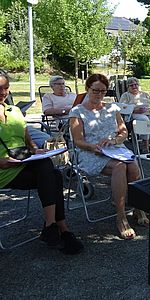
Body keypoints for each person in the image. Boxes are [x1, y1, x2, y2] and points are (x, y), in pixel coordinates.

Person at [0, 72, 83, 254]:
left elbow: (26, 138)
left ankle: (52, 226)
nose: (3, 92)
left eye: (6, 88)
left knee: (49, 169)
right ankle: (60, 228)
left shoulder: (13, 111)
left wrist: (35, 149)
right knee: (51, 175)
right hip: (4, 170)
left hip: (22, 160)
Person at [69, 74, 147, 239]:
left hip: (115, 148)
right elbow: (78, 141)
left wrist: (115, 139)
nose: (99, 94)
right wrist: (93, 146)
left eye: (103, 91)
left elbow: (124, 131)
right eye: (95, 90)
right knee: (120, 166)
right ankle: (121, 216)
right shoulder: (77, 111)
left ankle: (137, 207)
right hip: (90, 152)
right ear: (87, 89)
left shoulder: (112, 108)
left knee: (132, 165)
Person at [119, 77, 150, 153]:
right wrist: (134, 110)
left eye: (136, 84)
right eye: (131, 85)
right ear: (128, 87)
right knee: (144, 120)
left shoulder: (145, 94)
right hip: (134, 114)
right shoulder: (125, 95)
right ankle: (145, 145)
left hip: (149, 113)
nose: (134, 86)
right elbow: (122, 107)